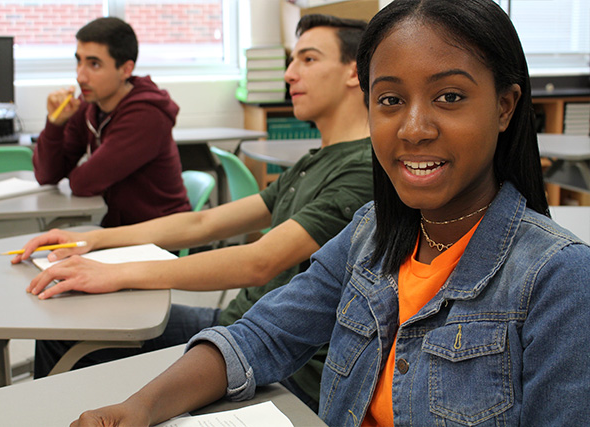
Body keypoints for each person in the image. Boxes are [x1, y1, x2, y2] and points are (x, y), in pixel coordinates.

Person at [70, 0, 590, 426]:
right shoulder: (371, 233)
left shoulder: (557, 279)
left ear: (504, 106)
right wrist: (137, 409)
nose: (412, 128)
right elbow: (263, 335)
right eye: (389, 100)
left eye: (449, 96)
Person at [14, 14, 372, 408]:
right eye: (292, 60)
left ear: (354, 73)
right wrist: (92, 239)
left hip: (276, 356)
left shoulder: (359, 171)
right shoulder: (316, 160)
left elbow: (259, 262)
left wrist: (113, 274)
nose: (289, 74)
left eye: (307, 59)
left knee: (70, 332)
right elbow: (204, 221)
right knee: (65, 324)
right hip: (239, 323)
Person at [33, 17, 191, 227]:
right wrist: (55, 124)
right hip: (121, 230)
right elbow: (47, 175)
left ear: (126, 69)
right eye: (79, 61)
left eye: (94, 64)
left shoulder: (146, 116)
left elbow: (83, 183)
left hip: (161, 235)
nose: (80, 76)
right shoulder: (88, 104)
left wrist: (78, 171)